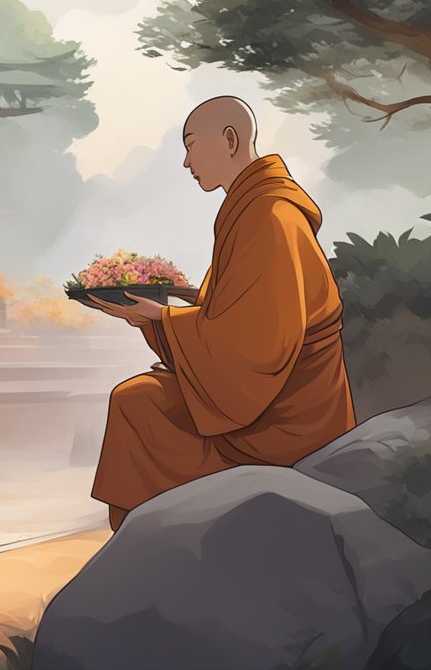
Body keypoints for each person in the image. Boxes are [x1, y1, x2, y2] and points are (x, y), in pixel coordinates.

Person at [87, 96, 355, 531]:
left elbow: (261, 344)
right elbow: (238, 310)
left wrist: (162, 320)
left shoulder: (270, 214)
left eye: (192, 145)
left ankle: (148, 541)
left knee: (136, 403)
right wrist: (163, 311)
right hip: (260, 392)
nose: (186, 161)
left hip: (285, 414)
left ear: (230, 141)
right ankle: (145, 540)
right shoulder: (252, 207)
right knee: (139, 398)